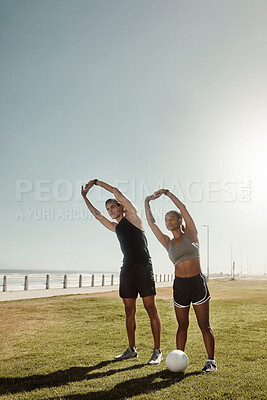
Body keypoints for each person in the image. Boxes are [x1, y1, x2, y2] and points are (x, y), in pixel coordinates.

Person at [81, 179, 163, 365]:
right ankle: (131, 349)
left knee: (151, 309)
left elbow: (116, 191)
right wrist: (85, 197)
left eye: (112, 207)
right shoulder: (116, 227)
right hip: (127, 269)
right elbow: (97, 215)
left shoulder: (133, 217)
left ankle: (157, 351)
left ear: (120, 207)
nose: (110, 211)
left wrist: (97, 183)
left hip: (143, 266)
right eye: (108, 209)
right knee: (129, 310)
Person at [145, 188, 216, 373]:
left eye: (171, 218)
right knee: (182, 325)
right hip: (180, 286)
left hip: (197, 284)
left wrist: (167, 193)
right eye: (166, 220)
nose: (168, 222)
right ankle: (178, 359)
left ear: (180, 221)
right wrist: (147, 202)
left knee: (204, 325)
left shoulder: (191, 234)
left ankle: (211, 361)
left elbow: (182, 207)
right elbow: (151, 224)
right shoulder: (167, 242)